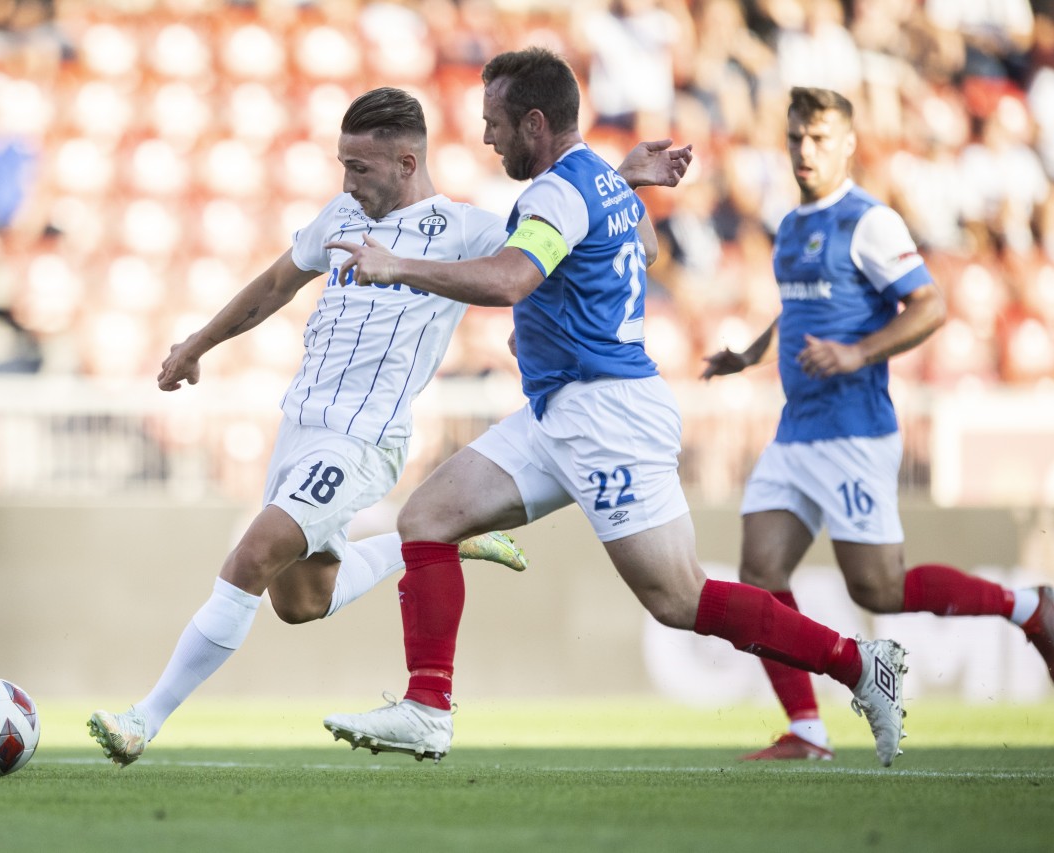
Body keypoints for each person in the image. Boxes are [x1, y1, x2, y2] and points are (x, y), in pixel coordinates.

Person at [322, 48, 909, 768]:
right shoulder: (595, 179)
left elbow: (511, 279)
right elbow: (648, 244)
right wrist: (619, 181)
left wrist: (398, 264)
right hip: (560, 411)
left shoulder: (560, 192)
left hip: (606, 417)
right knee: (427, 516)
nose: (486, 139)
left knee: (680, 598)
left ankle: (859, 662)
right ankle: (427, 707)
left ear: (535, 122)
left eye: (496, 124)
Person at [85, 86, 681, 767]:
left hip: (364, 438)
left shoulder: (469, 229)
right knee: (301, 601)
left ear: (406, 162)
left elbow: (632, 246)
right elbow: (275, 286)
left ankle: (144, 717)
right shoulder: (340, 215)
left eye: (359, 167)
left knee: (251, 557)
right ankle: (442, 549)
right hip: (300, 428)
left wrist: (614, 181)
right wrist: (196, 344)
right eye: (342, 165)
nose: (347, 181)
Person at [699, 86, 1054, 762]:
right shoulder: (793, 225)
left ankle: (1030, 606)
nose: (806, 150)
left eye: (821, 138)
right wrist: (750, 352)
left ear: (850, 143)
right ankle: (807, 730)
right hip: (797, 429)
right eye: (797, 137)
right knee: (758, 569)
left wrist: (857, 352)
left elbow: (930, 305)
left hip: (855, 430)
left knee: (879, 588)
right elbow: (803, 307)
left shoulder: (870, 222)